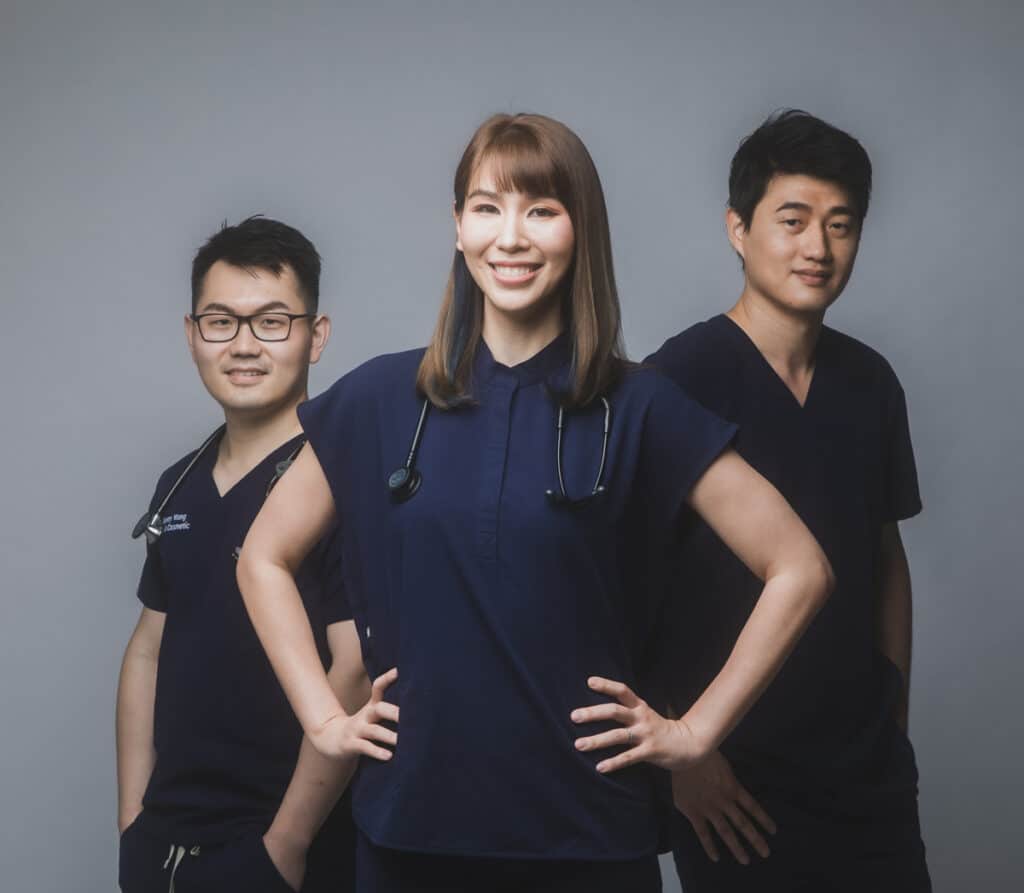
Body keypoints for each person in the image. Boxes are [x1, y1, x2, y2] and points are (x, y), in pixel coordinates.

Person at [236, 113, 834, 893]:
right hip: (411, 831)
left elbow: (800, 566)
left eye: (540, 210)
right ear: (458, 227)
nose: (510, 236)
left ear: (579, 229)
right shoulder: (384, 398)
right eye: (487, 208)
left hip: (586, 840)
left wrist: (694, 731)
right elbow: (262, 555)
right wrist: (324, 718)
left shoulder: (641, 405)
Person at [647, 110, 932, 892]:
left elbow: (884, 561)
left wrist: (893, 721)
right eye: (794, 219)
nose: (818, 247)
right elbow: (623, 588)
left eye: (841, 225)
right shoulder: (675, 381)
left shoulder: (870, 382)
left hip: (864, 771)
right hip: (734, 783)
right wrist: (686, 756)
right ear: (738, 228)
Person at [116, 216, 374, 892]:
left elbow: (356, 666)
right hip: (166, 843)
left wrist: (286, 843)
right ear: (192, 333)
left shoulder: (338, 479)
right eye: (220, 321)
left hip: (289, 847)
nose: (244, 345)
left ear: (315, 337)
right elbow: (147, 649)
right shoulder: (179, 480)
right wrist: (131, 818)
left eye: (272, 322)